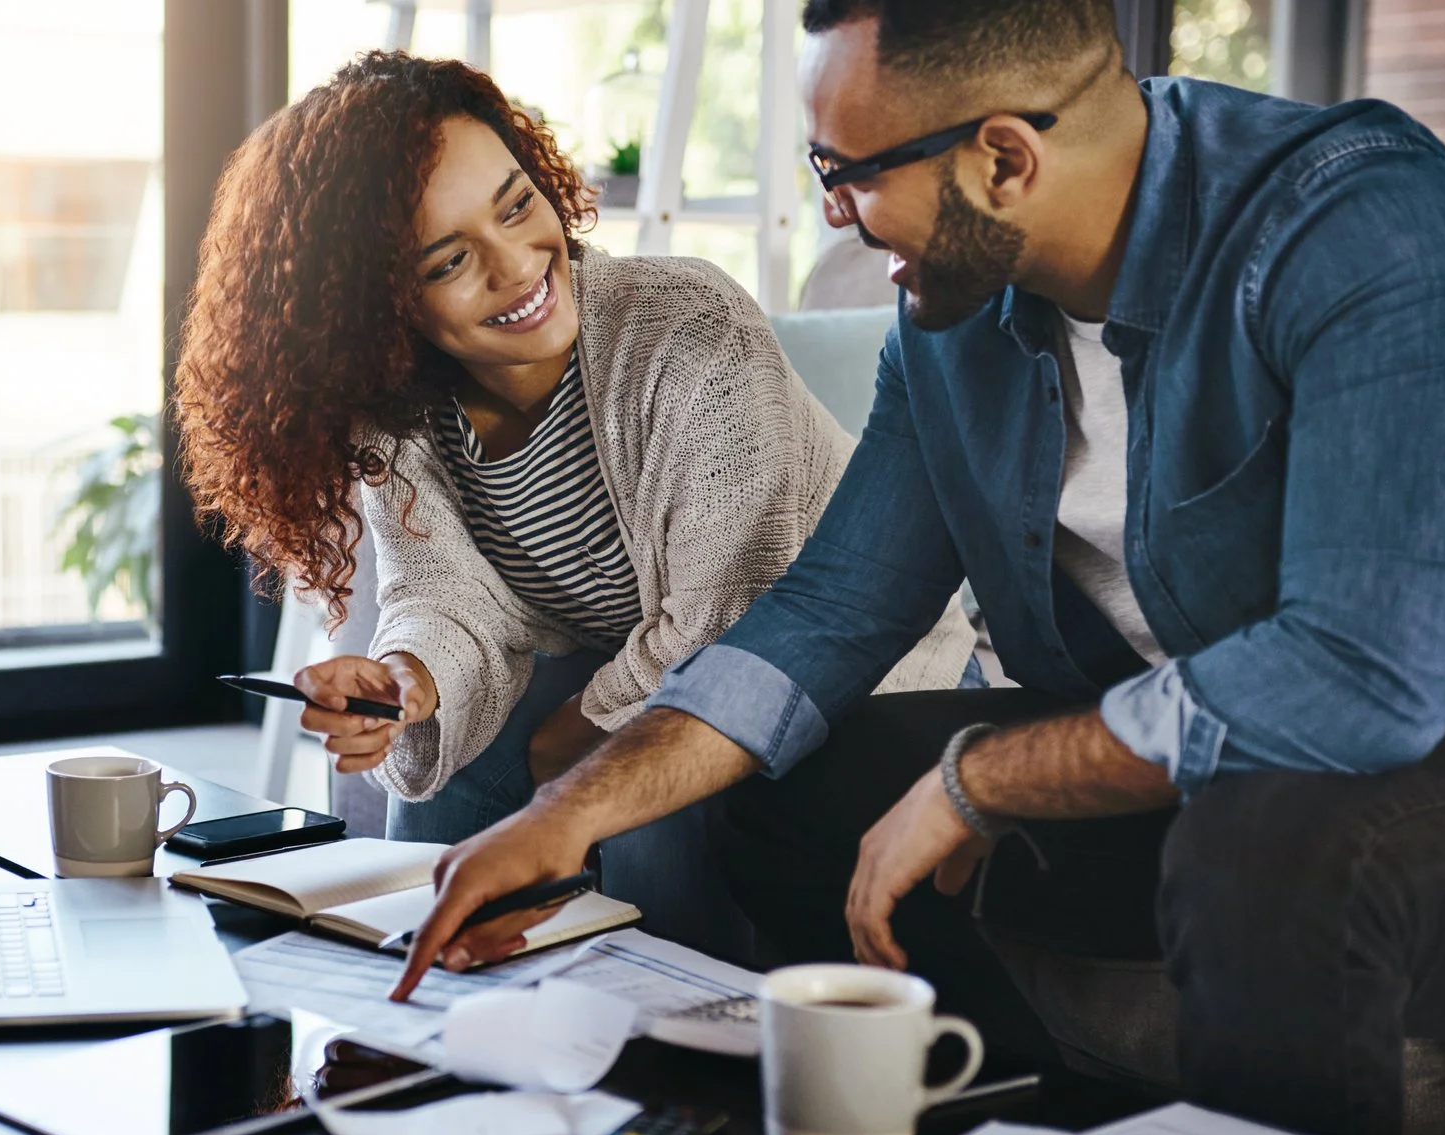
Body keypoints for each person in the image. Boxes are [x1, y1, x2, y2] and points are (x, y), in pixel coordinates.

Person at [392, 0, 1445, 1135]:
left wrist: (982, 780)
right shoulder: (954, 315)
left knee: (1268, 835)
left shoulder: (1359, 225)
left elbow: (1362, 679)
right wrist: (564, 810)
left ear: (1004, 156)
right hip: (1195, 775)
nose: (835, 214)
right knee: (801, 783)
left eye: (846, 174)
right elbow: (827, 617)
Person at [174, 51, 970, 871]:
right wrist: (406, 680)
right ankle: (428, 972)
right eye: (449, 261)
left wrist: (577, 740)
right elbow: (445, 594)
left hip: (855, 678)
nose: (517, 265)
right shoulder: (402, 415)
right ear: (378, 310)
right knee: (450, 781)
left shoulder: (688, 328)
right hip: (651, 665)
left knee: (647, 816)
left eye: (518, 206)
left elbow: (733, 622)